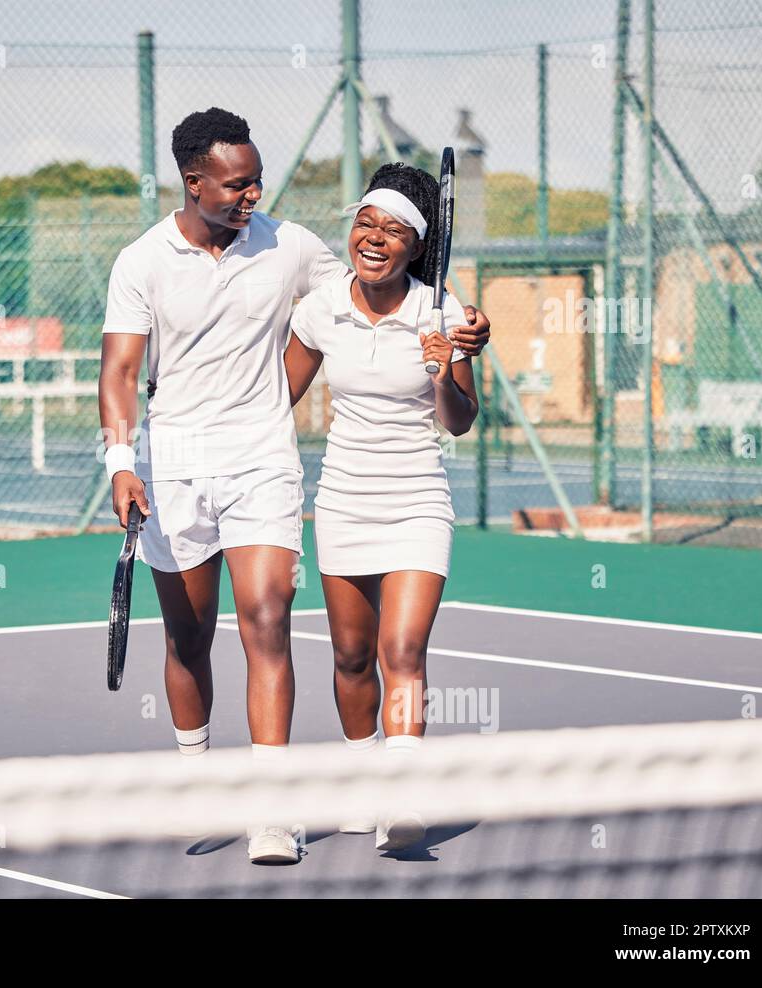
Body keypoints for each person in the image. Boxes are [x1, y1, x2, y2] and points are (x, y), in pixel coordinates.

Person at [99, 110, 488, 864]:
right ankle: (196, 780)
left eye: (257, 182)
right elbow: (119, 371)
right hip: (173, 460)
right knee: (190, 638)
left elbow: (386, 283)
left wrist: (465, 331)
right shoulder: (141, 261)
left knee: (270, 621)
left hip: (266, 465)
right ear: (194, 182)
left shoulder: (288, 245)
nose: (254, 196)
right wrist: (122, 461)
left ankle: (274, 811)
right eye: (238, 185)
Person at [283, 162, 481, 851]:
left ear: (417, 247)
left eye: (393, 229)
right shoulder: (320, 309)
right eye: (365, 222)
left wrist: (441, 369)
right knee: (350, 656)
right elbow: (274, 398)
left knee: (403, 648)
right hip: (342, 499)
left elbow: (458, 420)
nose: (373, 237)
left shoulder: (446, 314)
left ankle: (402, 802)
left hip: (419, 499)